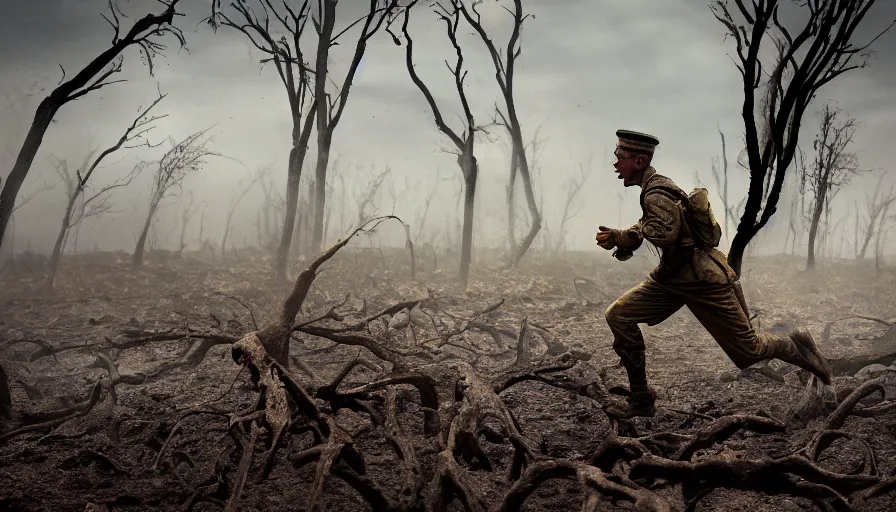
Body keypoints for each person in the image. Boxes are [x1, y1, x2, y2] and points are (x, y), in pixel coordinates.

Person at [595, 129, 833, 419]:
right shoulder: (656, 189)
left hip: (702, 281)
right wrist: (623, 236)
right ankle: (641, 397)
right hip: (672, 279)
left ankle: (795, 343)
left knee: (750, 350)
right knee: (619, 315)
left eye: (620, 157)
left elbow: (665, 234)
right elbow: (653, 226)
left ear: (640, 160)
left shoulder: (657, 193)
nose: (615, 164)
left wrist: (625, 236)